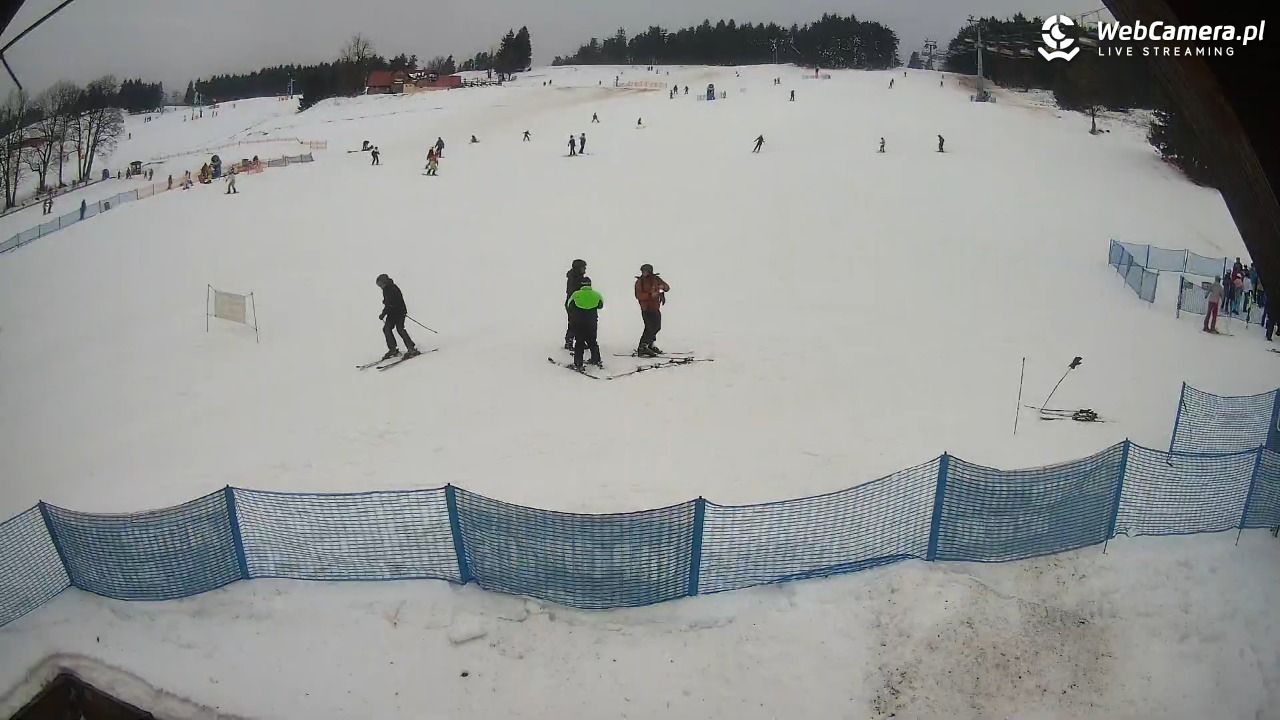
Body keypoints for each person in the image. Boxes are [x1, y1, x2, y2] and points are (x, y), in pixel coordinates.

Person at [376, 274, 419, 360]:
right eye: (379, 285)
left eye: (381, 284)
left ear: (385, 282)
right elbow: (388, 303)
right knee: (386, 329)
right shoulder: (385, 290)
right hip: (392, 313)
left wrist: (384, 312)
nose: (380, 287)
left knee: (400, 329)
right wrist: (385, 308)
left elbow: (392, 303)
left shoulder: (393, 288)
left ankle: (411, 348)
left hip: (399, 312)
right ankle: (393, 350)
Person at [566, 277, 604, 370]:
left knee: (579, 343)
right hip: (592, 323)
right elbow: (600, 305)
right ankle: (596, 359)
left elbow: (569, 305)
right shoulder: (597, 294)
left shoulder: (576, 294)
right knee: (592, 342)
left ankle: (578, 364)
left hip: (579, 323)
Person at [634, 264, 670, 356]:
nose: (644, 273)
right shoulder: (640, 282)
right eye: (643, 271)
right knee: (650, 328)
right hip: (646, 309)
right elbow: (639, 295)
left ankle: (649, 344)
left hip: (655, 307)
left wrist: (662, 288)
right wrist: (650, 295)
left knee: (657, 327)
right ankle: (642, 347)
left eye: (646, 271)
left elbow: (666, 287)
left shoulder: (656, 279)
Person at [564, 259, 588, 349]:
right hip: (573, 303)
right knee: (574, 323)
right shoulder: (574, 278)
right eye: (583, 267)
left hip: (577, 303)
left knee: (581, 323)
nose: (585, 269)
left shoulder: (578, 277)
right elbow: (572, 292)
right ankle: (569, 341)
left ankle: (579, 341)